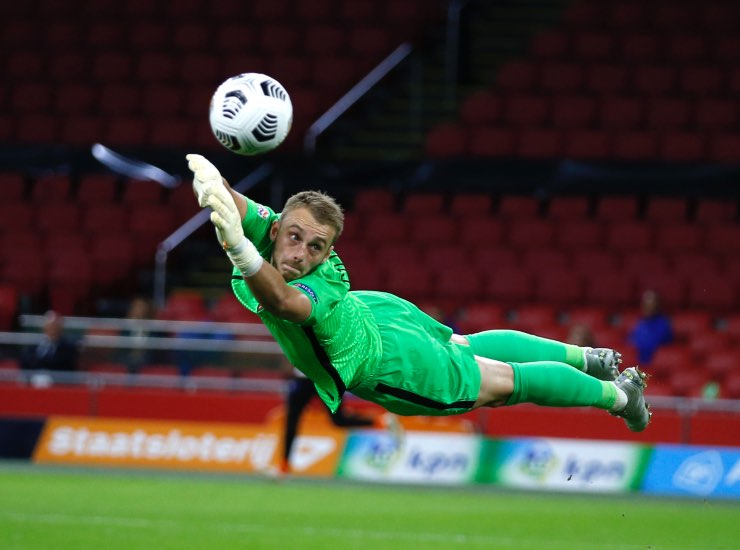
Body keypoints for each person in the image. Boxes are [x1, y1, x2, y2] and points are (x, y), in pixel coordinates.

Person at [186, 154, 651, 433]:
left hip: (392, 363)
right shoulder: (279, 228)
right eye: (293, 237)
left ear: (328, 253)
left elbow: (284, 303)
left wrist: (239, 248)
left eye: (316, 247)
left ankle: (618, 397)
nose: (300, 252)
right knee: (465, 347)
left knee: (503, 382)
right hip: (378, 314)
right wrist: (214, 181)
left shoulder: (318, 282)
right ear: (280, 225)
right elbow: (236, 204)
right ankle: (585, 356)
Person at [281, 367, 399, 474]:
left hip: (324, 379)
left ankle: (378, 421)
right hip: (302, 380)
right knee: (291, 422)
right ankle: (284, 465)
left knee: (339, 420)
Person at [628, 289, 673, 365]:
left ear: (657, 306)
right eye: (645, 305)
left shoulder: (663, 324)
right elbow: (629, 341)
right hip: (635, 363)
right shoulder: (639, 322)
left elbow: (652, 344)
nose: (647, 308)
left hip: (653, 363)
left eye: (651, 305)